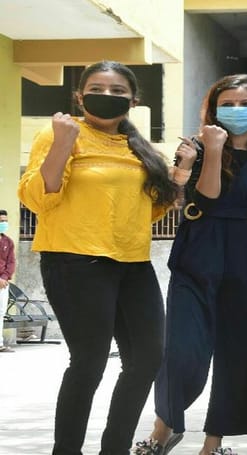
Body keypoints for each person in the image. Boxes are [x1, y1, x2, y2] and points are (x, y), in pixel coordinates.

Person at [18, 61, 182, 455]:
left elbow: (150, 211)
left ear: (133, 100)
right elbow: (39, 198)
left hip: (133, 262)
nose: (107, 96)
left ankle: (115, 449)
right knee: (89, 361)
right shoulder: (58, 133)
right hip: (75, 261)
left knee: (147, 358)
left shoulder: (138, 147)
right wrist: (63, 143)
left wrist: (181, 174)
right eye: (97, 89)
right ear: (79, 96)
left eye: (117, 91)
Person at [134, 74, 247, 455]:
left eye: (245, 104)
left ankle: (213, 443)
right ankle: (164, 427)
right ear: (213, 110)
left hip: (245, 263)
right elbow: (204, 199)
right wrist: (214, 149)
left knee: (238, 353)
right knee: (182, 350)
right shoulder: (195, 150)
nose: (237, 110)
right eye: (228, 104)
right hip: (196, 256)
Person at [0, 209, 16, 353]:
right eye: (1, 221)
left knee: (1, 312)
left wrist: (4, 278)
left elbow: (11, 262)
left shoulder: (8, 242)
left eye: (5, 221)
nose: (4, 223)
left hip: (3, 284)